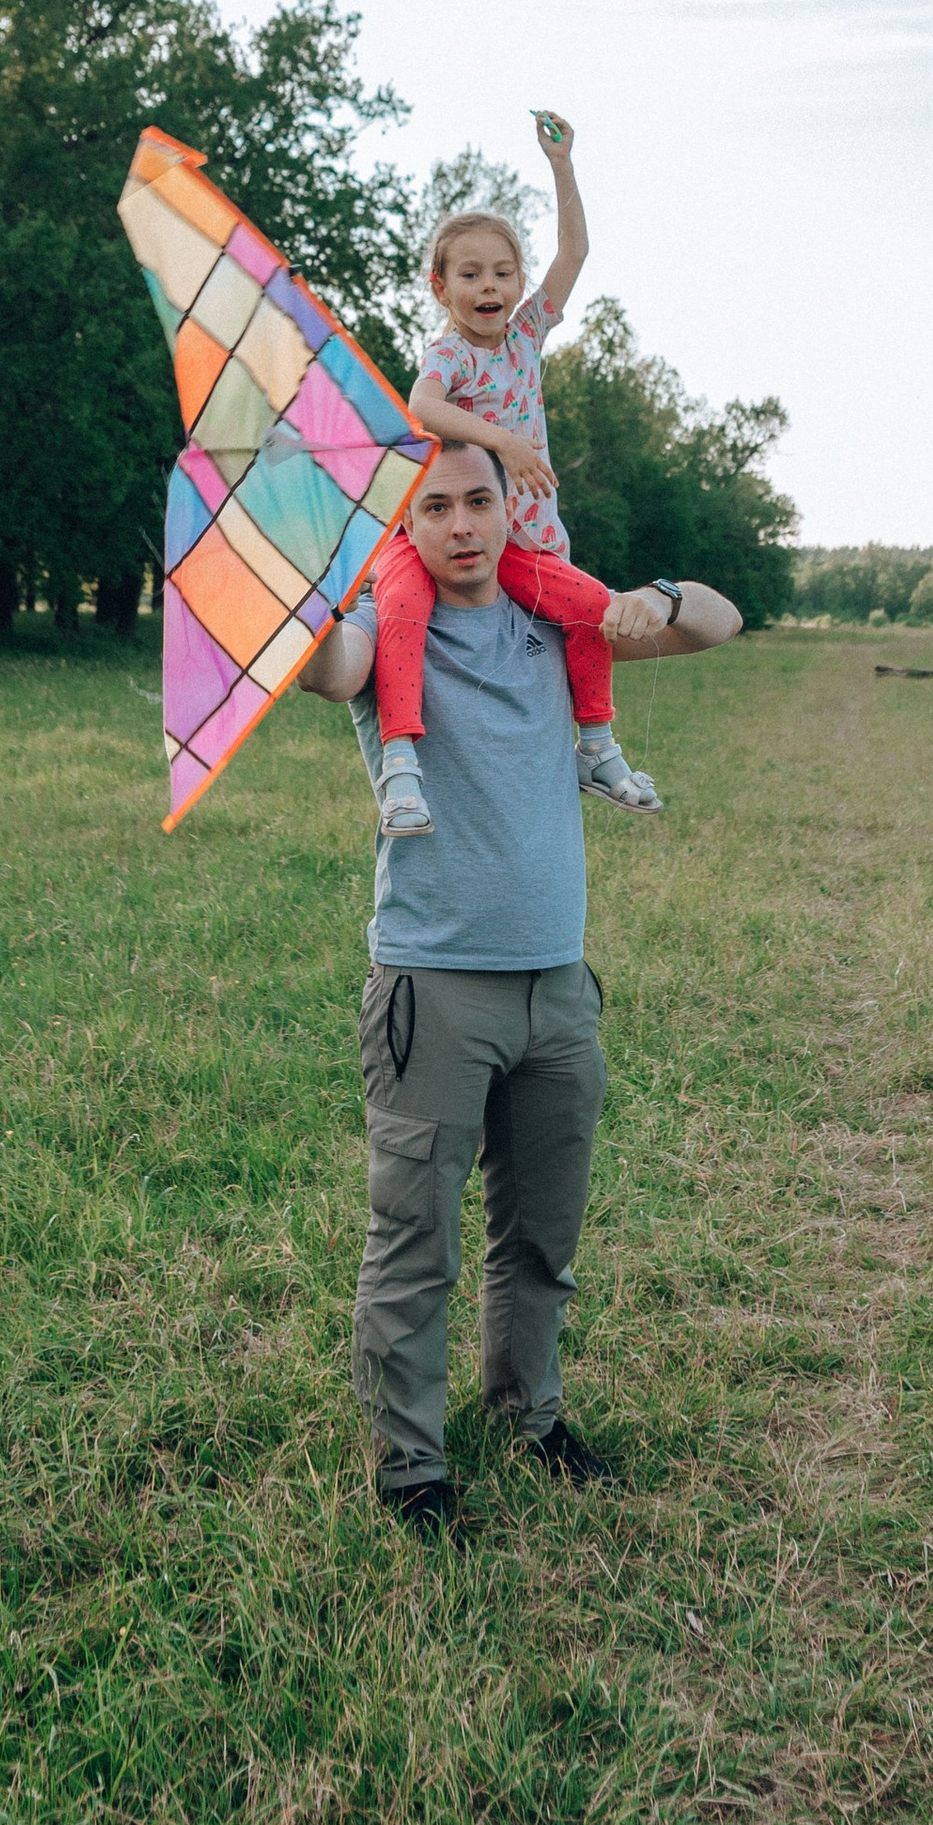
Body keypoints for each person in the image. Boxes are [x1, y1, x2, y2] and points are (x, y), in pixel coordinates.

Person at [298, 437, 741, 1545]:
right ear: (407, 524)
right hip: (434, 989)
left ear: (510, 509)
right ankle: (411, 1467)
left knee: (540, 1234)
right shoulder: (388, 637)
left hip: (557, 987)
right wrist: (301, 607)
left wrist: (656, 594)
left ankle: (530, 1414)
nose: (458, 524)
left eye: (477, 501)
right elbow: (328, 666)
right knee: (415, 1242)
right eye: (434, 506)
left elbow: (717, 622)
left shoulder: (552, 622)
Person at [366, 110, 659, 841]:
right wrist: (503, 441)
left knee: (591, 608)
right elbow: (422, 406)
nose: (487, 287)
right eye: (469, 275)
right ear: (441, 287)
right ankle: (400, 768)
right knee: (397, 613)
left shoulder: (527, 332)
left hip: (522, 541)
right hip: (436, 530)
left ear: (519, 283)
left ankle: (595, 749)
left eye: (502, 273)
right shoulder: (452, 356)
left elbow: (577, 250)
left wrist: (562, 164)